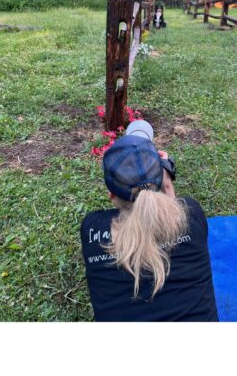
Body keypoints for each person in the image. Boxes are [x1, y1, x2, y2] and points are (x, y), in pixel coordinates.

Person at [80, 120, 218, 321]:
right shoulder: (192, 214)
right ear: (163, 181)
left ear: (111, 194)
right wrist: (167, 184)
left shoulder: (92, 228)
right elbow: (170, 210)